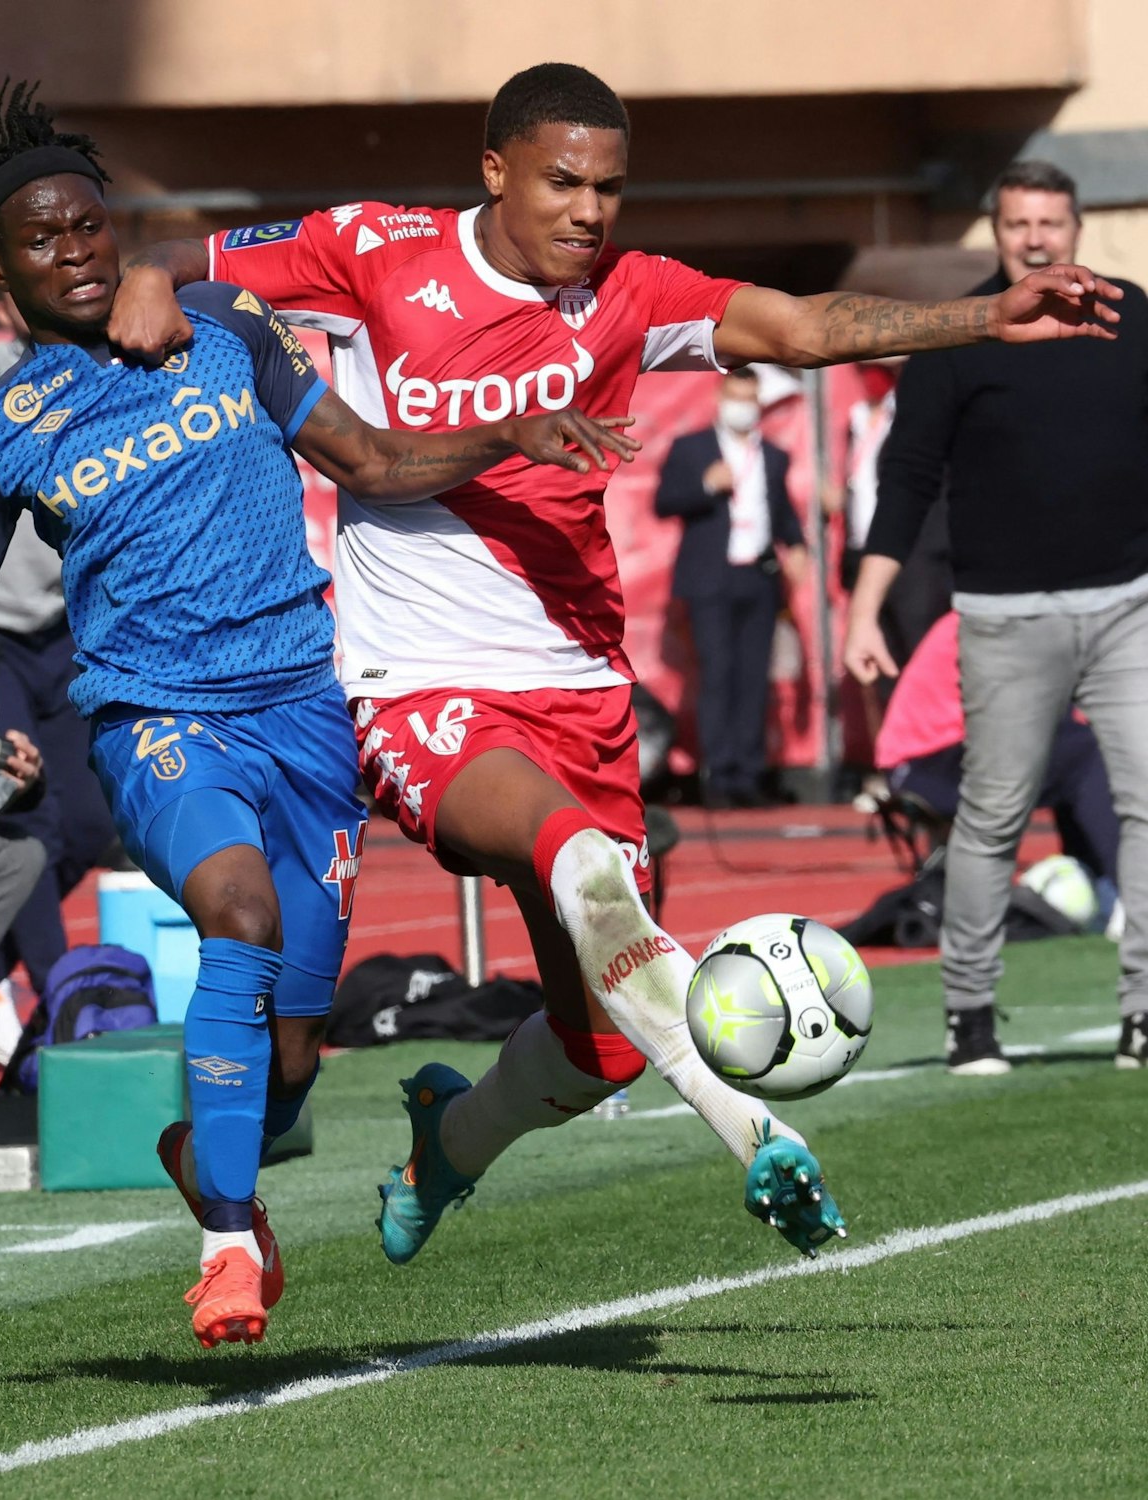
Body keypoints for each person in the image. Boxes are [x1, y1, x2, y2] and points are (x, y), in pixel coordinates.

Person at [109, 62, 1121, 1262]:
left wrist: (976, 313)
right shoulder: (374, 250)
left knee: (595, 1043)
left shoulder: (631, 294)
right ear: (494, 171)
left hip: (581, 687)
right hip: (422, 685)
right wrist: (138, 276)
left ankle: (448, 1143)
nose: (589, 211)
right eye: (563, 182)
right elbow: (183, 249)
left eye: (610, 189)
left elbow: (798, 327)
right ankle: (757, 1138)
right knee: (583, 870)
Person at [0, 81, 637, 1349]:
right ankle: (227, 1247)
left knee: (291, 1065)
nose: (72, 251)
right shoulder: (3, 429)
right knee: (231, 914)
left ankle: (207, 1153)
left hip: (304, 715)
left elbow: (373, 461)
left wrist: (505, 425)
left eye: (88, 227)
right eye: (41, 239)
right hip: (157, 720)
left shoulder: (227, 322)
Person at [842, 159, 1148, 1074]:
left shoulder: (1134, 319)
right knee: (992, 817)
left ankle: (1144, 1013)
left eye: (1050, 224)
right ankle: (969, 1016)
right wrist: (863, 613)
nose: (1037, 240)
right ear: (998, 232)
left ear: (1076, 229)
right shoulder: (961, 334)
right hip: (1004, 617)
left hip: (1129, 606)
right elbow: (906, 481)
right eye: (1019, 225)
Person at [0, 212, 114, 1059]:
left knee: (85, 824)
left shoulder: (106, 373)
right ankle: (63, 999)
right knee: (25, 817)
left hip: (65, 635)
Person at [875, 612, 1119, 921]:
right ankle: (1121, 889)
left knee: (1079, 750)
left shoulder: (1003, 613)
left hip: (932, 759)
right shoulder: (998, 621)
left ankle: (1100, 882)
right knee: (1086, 752)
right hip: (930, 764)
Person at [655, 367, 807, 807]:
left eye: (750, 398)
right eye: (736, 396)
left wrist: (796, 545)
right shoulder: (693, 448)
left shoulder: (773, 456)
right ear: (722, 397)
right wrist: (706, 485)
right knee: (718, 673)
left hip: (758, 578)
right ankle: (718, 775)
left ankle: (749, 774)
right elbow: (664, 501)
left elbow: (782, 515)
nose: (743, 406)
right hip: (709, 577)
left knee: (754, 677)